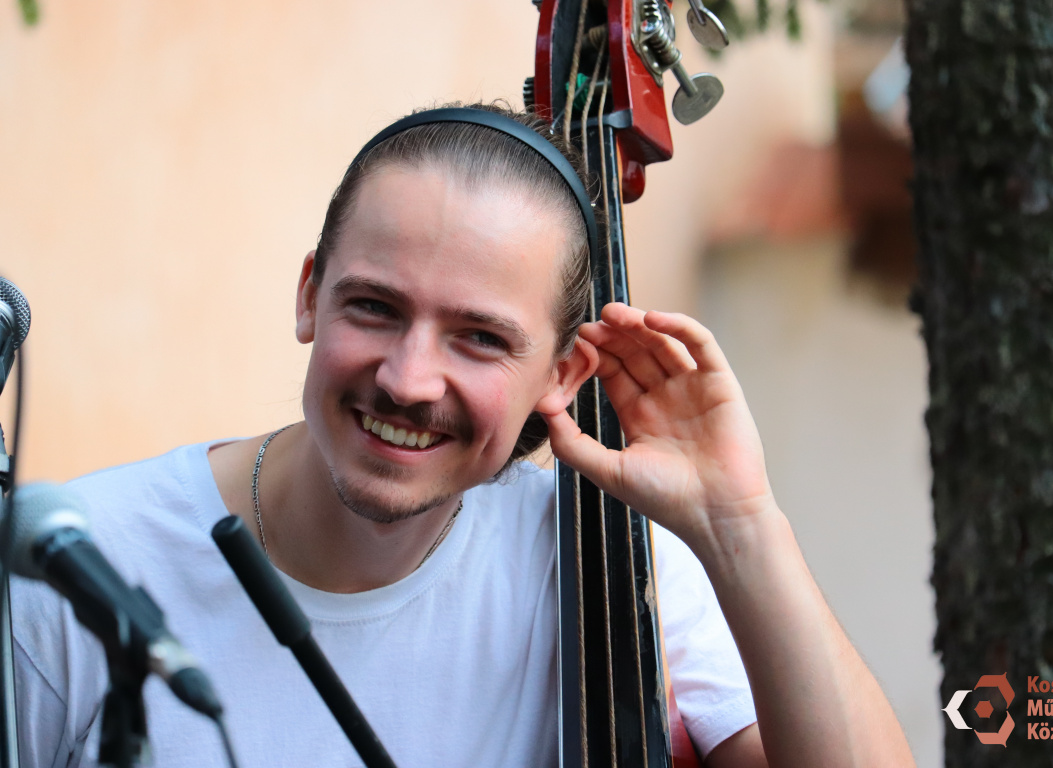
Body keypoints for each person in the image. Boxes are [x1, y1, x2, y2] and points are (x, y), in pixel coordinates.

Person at [12, 102, 915, 768]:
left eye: (479, 337)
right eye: (374, 307)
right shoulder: (72, 571)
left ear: (563, 374)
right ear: (309, 296)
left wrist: (738, 523)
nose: (408, 380)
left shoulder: (610, 565)